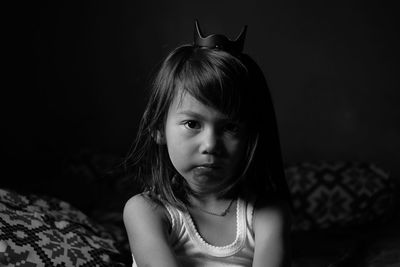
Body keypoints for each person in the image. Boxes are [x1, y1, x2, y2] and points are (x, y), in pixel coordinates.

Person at [123, 20, 292, 267]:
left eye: (230, 127)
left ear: (251, 137)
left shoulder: (266, 214)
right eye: (192, 124)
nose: (211, 145)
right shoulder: (147, 211)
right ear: (158, 128)